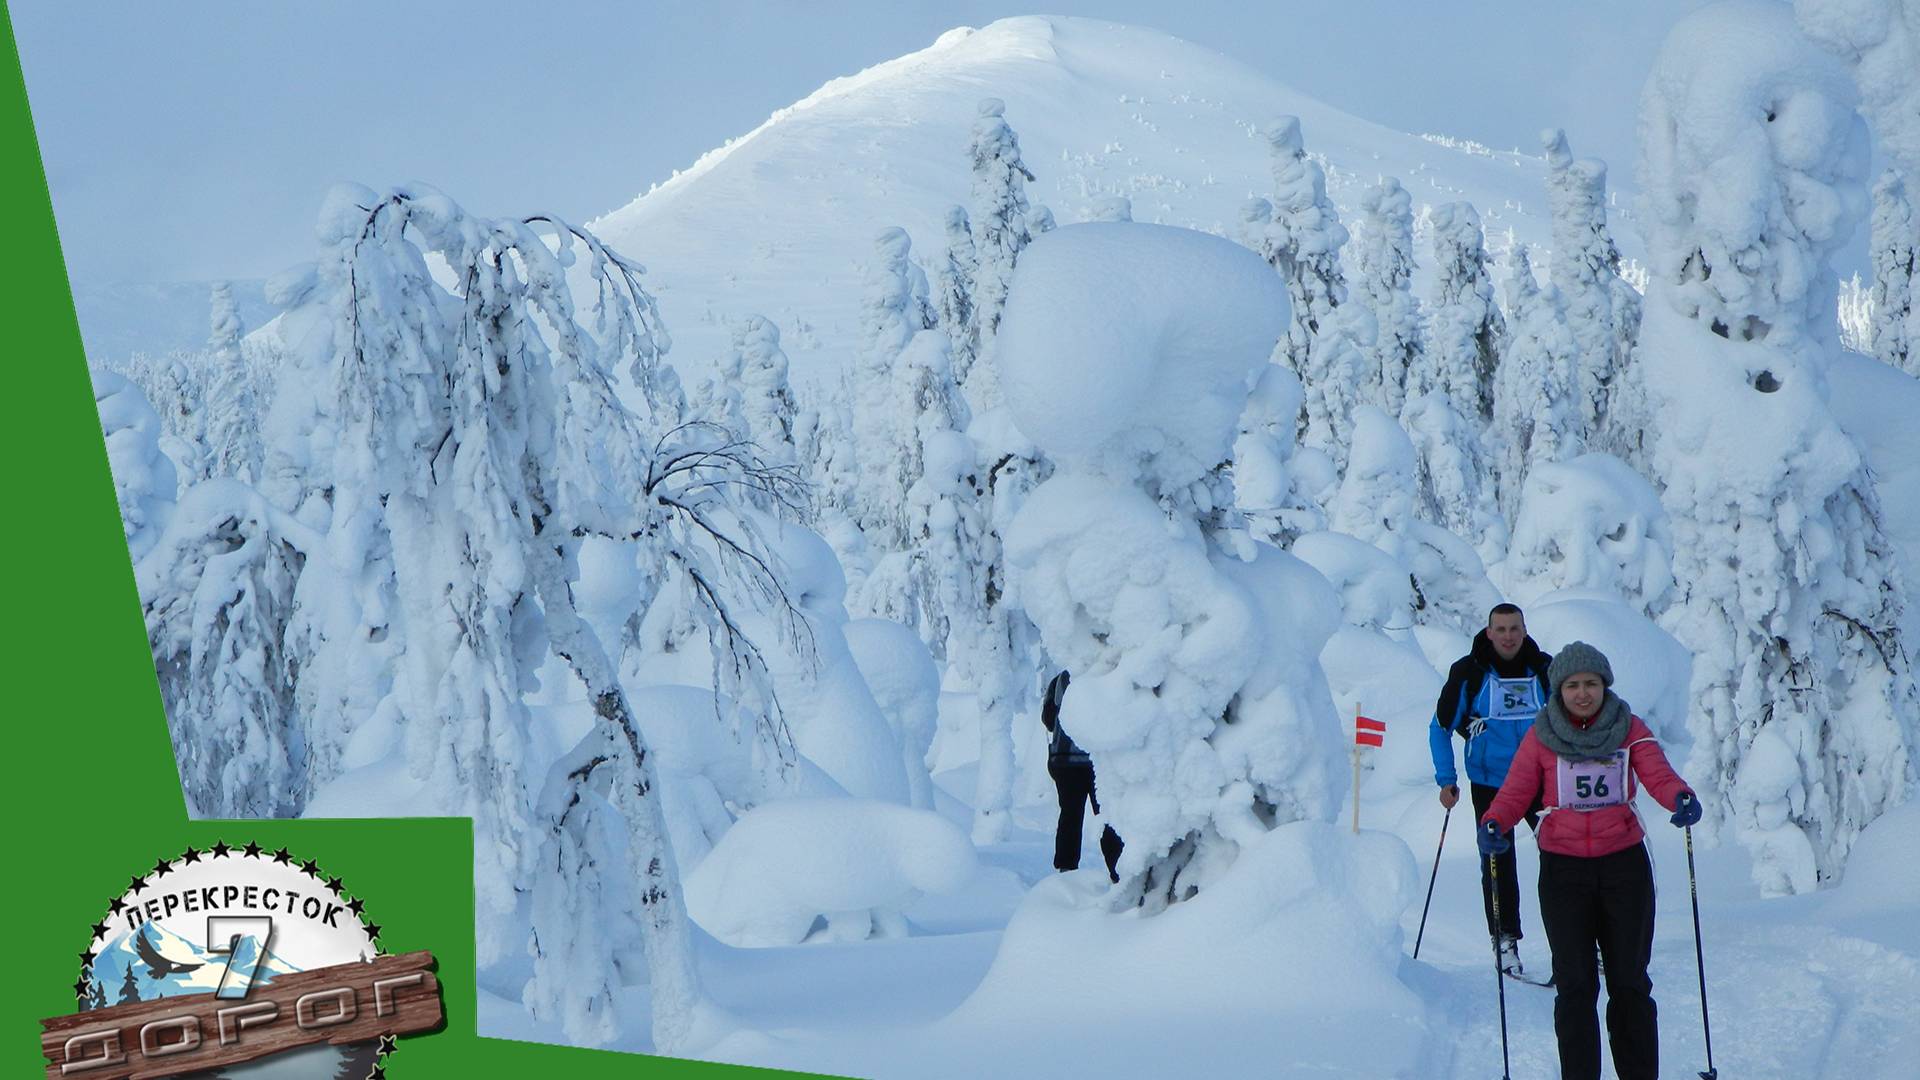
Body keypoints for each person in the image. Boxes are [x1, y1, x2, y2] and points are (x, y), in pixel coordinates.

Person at [1477, 641, 1701, 1080]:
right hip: (1564, 873)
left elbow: (1657, 773)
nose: (1583, 693)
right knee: (1576, 985)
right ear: (1559, 690)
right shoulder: (1541, 735)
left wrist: (1681, 796)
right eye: (1574, 685)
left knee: (1630, 981)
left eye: (1592, 684)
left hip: (1624, 868)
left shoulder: (1629, 727)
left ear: (1604, 685)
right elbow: (1517, 791)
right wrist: (1494, 823)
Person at [1428, 602, 1552, 977]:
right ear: (1488, 632)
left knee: (1564, 860)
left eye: (1514, 628)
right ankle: (1504, 939)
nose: (1508, 636)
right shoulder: (1469, 672)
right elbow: (1439, 727)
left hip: (1540, 780)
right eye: (1501, 629)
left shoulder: (1544, 669)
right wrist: (1446, 779)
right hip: (1491, 782)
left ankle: (1575, 939)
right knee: (1498, 862)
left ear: (1524, 630)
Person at [1040, 670, 1121, 881]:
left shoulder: (1059, 680)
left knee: (1070, 814)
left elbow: (1048, 719)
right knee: (1106, 816)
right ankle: (1118, 870)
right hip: (1097, 759)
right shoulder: (1106, 673)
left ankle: (1066, 869)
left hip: (1063, 760)